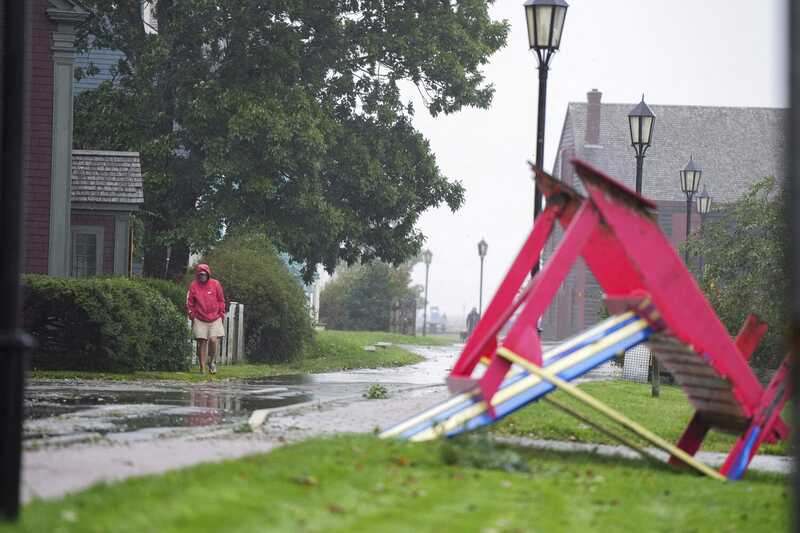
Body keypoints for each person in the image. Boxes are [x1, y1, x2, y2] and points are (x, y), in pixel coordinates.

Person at [186, 263, 226, 374]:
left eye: (204, 274)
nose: (202, 276)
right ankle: (202, 368)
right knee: (201, 342)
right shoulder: (193, 285)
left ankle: (211, 362)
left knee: (213, 340)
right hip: (199, 317)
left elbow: (221, 300)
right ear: (197, 275)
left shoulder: (215, 284)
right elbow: (190, 302)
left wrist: (221, 313)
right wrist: (192, 315)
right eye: (200, 274)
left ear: (208, 274)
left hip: (215, 317)